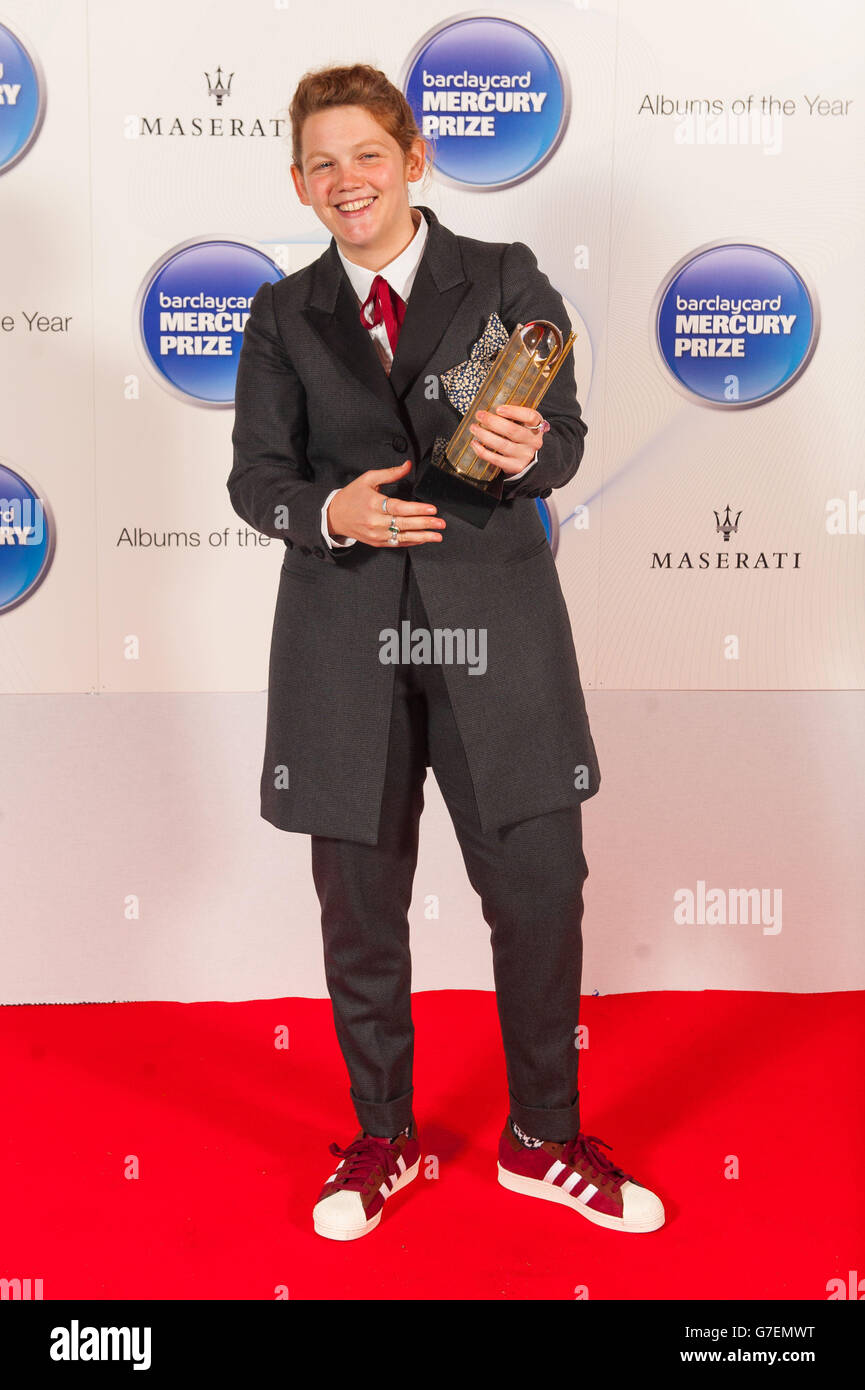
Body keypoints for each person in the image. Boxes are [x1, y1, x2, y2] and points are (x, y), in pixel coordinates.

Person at [227, 63, 664, 1241]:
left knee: (538, 892)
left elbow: (563, 440)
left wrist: (525, 449)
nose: (345, 179)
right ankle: (384, 1136)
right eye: (321, 162)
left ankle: (543, 1138)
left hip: (500, 638)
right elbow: (253, 482)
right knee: (358, 908)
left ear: (412, 159)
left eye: (365, 153)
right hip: (340, 642)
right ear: (298, 183)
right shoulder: (281, 312)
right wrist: (334, 513)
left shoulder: (507, 279)